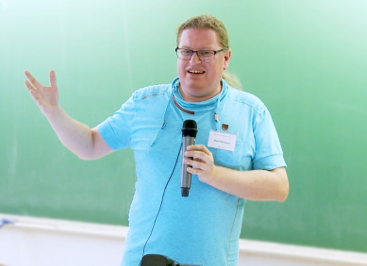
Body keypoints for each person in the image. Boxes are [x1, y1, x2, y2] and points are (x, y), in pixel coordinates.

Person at [24, 14, 289, 266]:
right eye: (186, 51)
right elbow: (90, 145)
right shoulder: (145, 103)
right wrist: (54, 113)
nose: (194, 61)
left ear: (226, 58)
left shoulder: (251, 112)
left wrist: (214, 174)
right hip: (145, 260)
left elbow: (278, 187)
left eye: (206, 52)